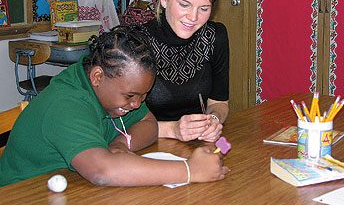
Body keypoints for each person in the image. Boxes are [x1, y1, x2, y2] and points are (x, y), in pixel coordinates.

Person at [0, 26, 229, 187]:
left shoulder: (114, 90)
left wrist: (121, 143)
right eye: (131, 95)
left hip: (74, 188)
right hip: (24, 194)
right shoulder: (66, 104)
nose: (137, 103)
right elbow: (102, 171)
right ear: (97, 76)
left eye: (143, 95)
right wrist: (190, 171)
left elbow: (148, 123)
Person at [140, 0, 230, 143]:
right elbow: (118, 127)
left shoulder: (215, 37)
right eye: (184, 5)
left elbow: (219, 103)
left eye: (204, 9)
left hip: (194, 147)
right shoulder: (135, 43)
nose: (193, 17)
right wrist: (173, 129)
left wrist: (213, 120)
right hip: (145, 149)